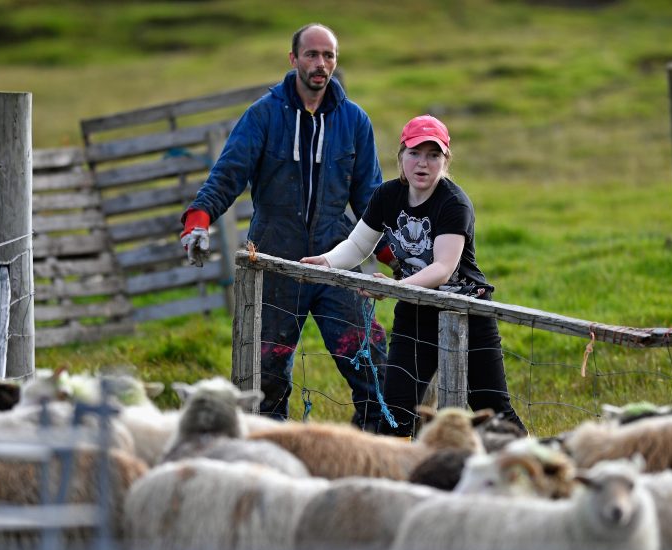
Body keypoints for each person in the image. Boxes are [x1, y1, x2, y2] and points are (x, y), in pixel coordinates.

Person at [180, 23, 396, 430]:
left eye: (328, 55)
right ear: (293, 59)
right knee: (266, 377)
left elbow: (370, 199)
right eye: (312, 54)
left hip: (337, 262)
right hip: (273, 262)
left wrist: (396, 256)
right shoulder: (263, 115)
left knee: (372, 366)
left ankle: (375, 451)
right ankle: (267, 456)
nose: (320, 64)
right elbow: (229, 174)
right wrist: (198, 220)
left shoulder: (354, 121)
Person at [302, 114, 525, 437]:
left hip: (467, 310)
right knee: (396, 410)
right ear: (401, 157)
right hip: (415, 312)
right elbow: (358, 244)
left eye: (433, 155)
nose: (423, 164)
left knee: (491, 405)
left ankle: (533, 461)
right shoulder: (387, 196)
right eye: (415, 153)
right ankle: (391, 475)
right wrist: (325, 262)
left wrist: (395, 288)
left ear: (445, 160)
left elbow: (443, 268)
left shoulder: (453, 203)